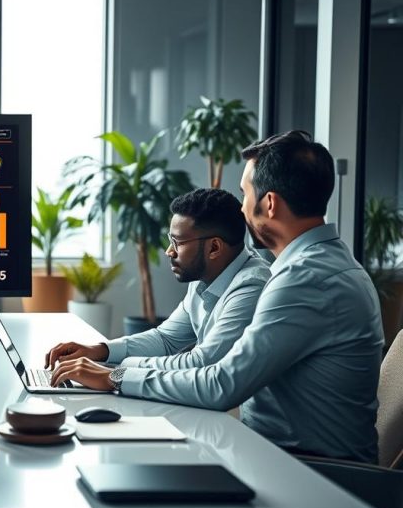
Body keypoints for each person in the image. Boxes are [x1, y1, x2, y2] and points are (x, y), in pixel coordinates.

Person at [46, 131, 384, 463]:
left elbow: (222, 384)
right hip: (276, 454)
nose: (241, 210)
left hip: (313, 472)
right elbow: (175, 343)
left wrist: (114, 376)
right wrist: (106, 357)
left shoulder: (305, 279)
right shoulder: (321, 265)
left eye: (245, 194)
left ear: (269, 204)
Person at [46, 188, 269, 372]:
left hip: (259, 427)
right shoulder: (204, 277)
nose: (169, 251)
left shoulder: (250, 287)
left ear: (214, 247)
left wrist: (114, 373)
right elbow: (166, 340)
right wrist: (100, 351)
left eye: (178, 242)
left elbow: (203, 363)